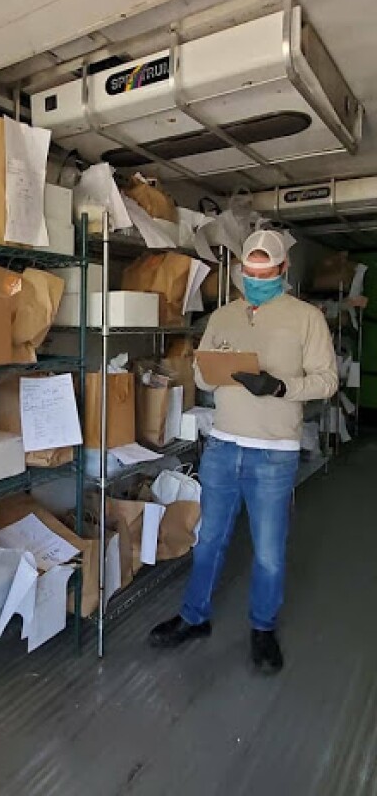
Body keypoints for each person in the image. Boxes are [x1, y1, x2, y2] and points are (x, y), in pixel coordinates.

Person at [149, 229, 338, 674]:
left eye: (265, 272)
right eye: (249, 273)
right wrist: (214, 370)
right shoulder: (224, 316)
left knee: (269, 550)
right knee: (209, 539)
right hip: (223, 444)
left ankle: (263, 628)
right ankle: (195, 617)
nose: (256, 279)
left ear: (283, 270)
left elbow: (327, 381)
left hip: (273, 452)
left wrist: (280, 386)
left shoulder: (306, 317)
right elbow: (201, 373)